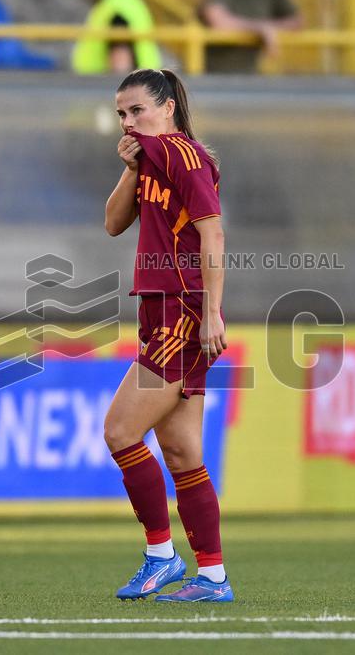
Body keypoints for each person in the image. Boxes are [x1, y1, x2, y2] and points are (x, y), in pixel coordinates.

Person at [103, 68, 232, 602]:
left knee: (119, 432)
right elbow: (112, 224)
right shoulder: (152, 160)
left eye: (137, 111)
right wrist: (131, 169)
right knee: (181, 454)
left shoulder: (184, 154)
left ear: (167, 108)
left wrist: (212, 313)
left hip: (182, 311)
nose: (129, 122)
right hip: (159, 309)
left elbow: (213, 231)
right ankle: (213, 577)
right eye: (121, 114)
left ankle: (161, 556)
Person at [199, 0, 301, 74]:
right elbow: (218, 21)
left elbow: (296, 21)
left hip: (250, 75)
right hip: (210, 74)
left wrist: (268, 28)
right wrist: (260, 28)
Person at [72, 0, 161, 75]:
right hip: (143, 84)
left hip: (101, 87)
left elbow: (121, 66)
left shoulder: (116, 8)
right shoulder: (122, 1)